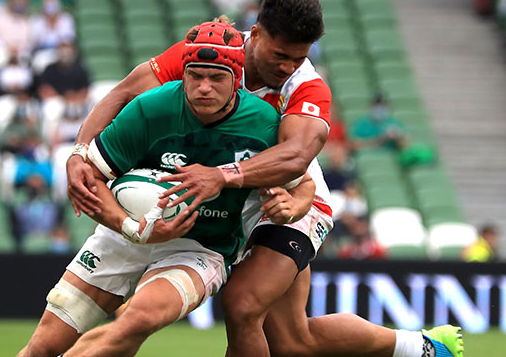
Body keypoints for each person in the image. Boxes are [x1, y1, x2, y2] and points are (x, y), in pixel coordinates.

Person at [65, 0, 465, 357]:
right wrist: (81, 152)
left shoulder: (305, 86)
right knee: (293, 343)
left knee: (241, 306)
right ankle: (423, 348)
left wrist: (223, 176)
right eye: (280, 55)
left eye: (299, 57)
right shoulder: (212, 56)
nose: (287, 67)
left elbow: (295, 158)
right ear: (254, 35)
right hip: (233, 199)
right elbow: (126, 92)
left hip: (292, 203)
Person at [18, 21, 304, 357]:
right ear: (183, 73)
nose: (204, 87)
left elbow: (304, 184)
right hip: (126, 233)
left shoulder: (266, 124)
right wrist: (132, 228)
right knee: (41, 347)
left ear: (237, 78)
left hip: (201, 247)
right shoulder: (150, 108)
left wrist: (292, 206)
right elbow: (91, 176)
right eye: (195, 75)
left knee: (139, 318)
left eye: (216, 78)